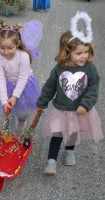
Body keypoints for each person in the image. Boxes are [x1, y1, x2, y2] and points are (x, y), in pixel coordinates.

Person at [36, 12, 103, 175]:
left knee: (73, 132)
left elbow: (93, 88)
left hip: (80, 110)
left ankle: (70, 151)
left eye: (86, 51)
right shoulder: (59, 69)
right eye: (79, 53)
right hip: (61, 109)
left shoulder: (89, 68)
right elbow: (49, 87)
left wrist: (85, 104)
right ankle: (51, 161)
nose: (84, 56)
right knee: (57, 134)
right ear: (67, 52)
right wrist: (42, 102)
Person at [0, 19, 43, 132]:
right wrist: (4, 101)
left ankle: (22, 120)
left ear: (17, 44)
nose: (6, 52)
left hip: (25, 85)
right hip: (8, 85)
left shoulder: (24, 56)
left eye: (10, 48)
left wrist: (15, 96)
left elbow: (23, 77)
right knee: (8, 112)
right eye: (2, 48)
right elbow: (0, 79)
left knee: (23, 112)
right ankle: (10, 134)